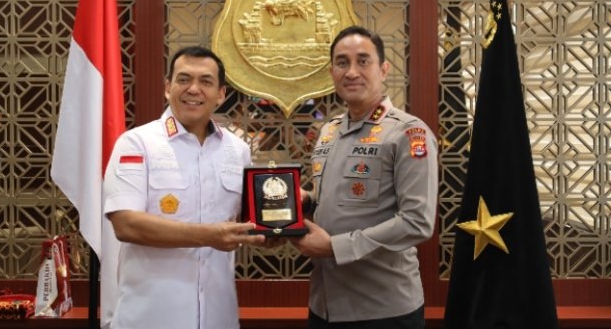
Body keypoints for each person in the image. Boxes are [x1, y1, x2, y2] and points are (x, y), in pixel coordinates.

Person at [103, 46, 265, 329]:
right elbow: (126, 225)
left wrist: (277, 226)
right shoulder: (136, 143)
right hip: (151, 319)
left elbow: (247, 221)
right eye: (184, 79)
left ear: (221, 94)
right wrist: (208, 236)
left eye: (206, 81)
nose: (193, 89)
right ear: (168, 87)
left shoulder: (238, 150)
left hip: (218, 318)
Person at [291, 26, 438, 329]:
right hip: (324, 304)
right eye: (342, 63)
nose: (351, 72)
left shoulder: (409, 133)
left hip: (382, 310)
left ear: (383, 69)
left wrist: (335, 247)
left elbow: (417, 221)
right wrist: (306, 200)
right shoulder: (328, 131)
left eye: (363, 61)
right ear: (332, 72)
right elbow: (341, 198)